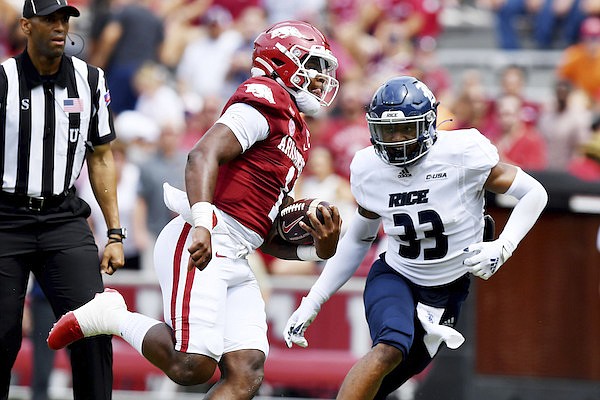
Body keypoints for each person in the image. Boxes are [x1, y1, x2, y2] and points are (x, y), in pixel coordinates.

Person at [47, 20, 342, 399]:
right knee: (191, 366)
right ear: (281, 62)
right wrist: (203, 222)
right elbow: (202, 153)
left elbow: (263, 230)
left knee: (246, 371)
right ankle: (112, 315)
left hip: (236, 251)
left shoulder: (297, 132)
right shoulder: (265, 98)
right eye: (312, 67)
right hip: (201, 237)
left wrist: (319, 248)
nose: (319, 80)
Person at [282, 76, 548, 400]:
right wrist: (314, 300)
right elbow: (359, 238)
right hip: (396, 274)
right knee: (388, 350)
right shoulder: (368, 167)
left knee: (384, 385)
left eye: (406, 129)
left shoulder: (462, 153)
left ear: (429, 123)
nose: (396, 140)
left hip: (448, 289)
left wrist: (504, 247)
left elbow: (534, 192)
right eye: (387, 131)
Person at [0, 1, 125, 399]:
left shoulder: (91, 79)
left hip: (62, 217)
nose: (59, 27)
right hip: (5, 217)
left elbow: (101, 155)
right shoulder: (2, 79)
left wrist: (115, 233)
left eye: (64, 19)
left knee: (93, 327)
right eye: (49, 19)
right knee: (1, 336)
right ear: (25, 25)